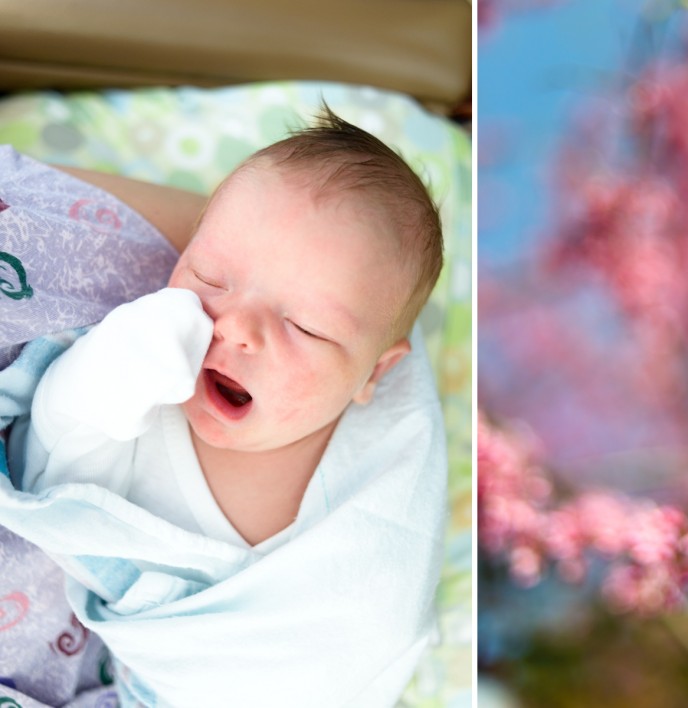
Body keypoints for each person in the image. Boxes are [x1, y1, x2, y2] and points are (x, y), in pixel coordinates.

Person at [2, 107, 447, 706]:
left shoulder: (368, 498)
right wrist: (101, 374)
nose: (236, 327)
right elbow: (51, 474)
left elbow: (368, 639)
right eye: (211, 275)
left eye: (305, 327)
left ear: (374, 373)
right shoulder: (148, 380)